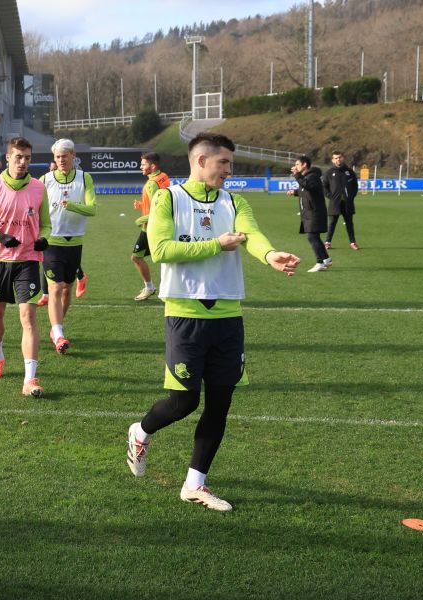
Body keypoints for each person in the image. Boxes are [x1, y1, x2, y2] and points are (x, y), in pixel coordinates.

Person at [124, 132, 300, 511]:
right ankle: (140, 430)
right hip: (185, 314)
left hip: (228, 315)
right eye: (223, 163)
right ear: (200, 161)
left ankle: (195, 484)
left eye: (230, 164)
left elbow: (251, 235)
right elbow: (161, 250)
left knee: (220, 403)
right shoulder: (167, 198)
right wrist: (216, 244)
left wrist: (269, 255)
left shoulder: (234, 200)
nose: (228, 171)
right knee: (183, 402)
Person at [0, 137, 50, 396]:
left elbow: (46, 223)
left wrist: (43, 238)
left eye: (27, 157)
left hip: (28, 260)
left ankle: (30, 379)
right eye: (18, 157)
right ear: (8, 158)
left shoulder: (38, 188)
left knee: (28, 316)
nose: (23, 162)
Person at [40, 139, 97, 354]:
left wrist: (71, 205)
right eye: (57, 157)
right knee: (54, 288)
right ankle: (59, 333)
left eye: (65, 156)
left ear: (73, 155)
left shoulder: (85, 178)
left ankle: (56, 329)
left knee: (66, 290)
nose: (61, 160)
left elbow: (92, 209)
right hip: (51, 240)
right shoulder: (45, 179)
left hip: (75, 242)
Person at [131, 153, 170, 300]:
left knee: (136, 257)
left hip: (151, 227)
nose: (140, 166)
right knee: (166, 258)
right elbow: (162, 201)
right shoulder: (164, 177)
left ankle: (150, 287)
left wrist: (141, 219)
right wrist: (141, 205)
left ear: (152, 166)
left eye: (143, 164)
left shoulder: (151, 183)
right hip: (163, 226)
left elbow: (158, 210)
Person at [288, 155, 331, 271]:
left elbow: (309, 186)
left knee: (312, 237)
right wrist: (295, 192)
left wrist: (297, 175)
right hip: (309, 212)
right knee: (314, 237)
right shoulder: (307, 176)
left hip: (314, 212)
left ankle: (320, 262)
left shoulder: (312, 176)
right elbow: (306, 189)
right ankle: (326, 259)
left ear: (304, 165)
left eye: (297, 164)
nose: (295, 167)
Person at [323, 151, 359, 251]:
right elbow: (324, 187)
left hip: (347, 203)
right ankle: (327, 242)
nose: (338, 159)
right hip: (335, 203)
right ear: (332, 160)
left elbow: (355, 185)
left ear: (342, 158)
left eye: (339, 157)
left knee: (349, 223)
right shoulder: (329, 173)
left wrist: (351, 196)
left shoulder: (349, 171)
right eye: (336, 158)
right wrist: (330, 196)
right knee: (332, 223)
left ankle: (353, 242)